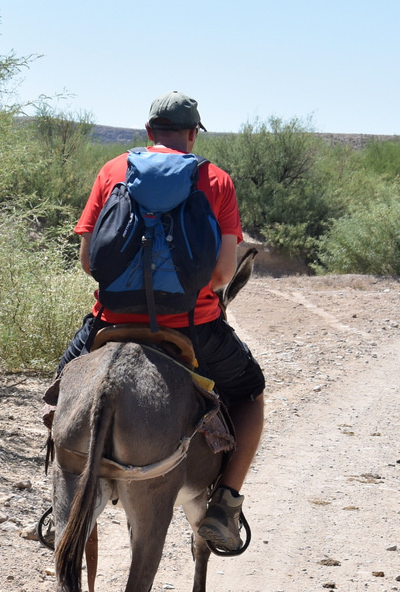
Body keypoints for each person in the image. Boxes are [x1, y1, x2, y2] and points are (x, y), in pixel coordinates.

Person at [49, 91, 265, 554]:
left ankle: (60, 502)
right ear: (191, 134)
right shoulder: (216, 180)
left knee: (61, 389)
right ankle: (225, 505)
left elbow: (89, 261)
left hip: (110, 320)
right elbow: (224, 275)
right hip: (192, 326)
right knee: (249, 392)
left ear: (149, 132)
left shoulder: (112, 171)